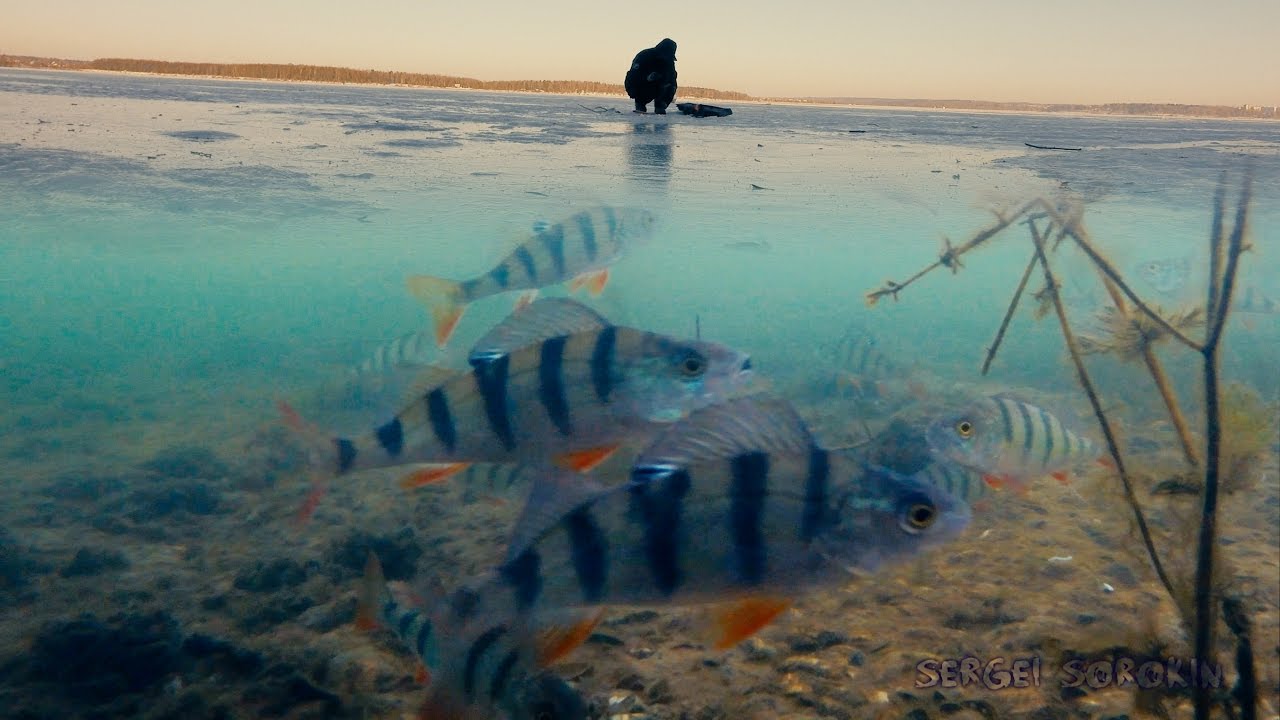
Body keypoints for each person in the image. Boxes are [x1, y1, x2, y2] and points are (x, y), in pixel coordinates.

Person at [625, 38, 677, 114]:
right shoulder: (644, 56)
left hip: (660, 89)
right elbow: (632, 77)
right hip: (643, 87)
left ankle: (660, 106)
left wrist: (666, 101)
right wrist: (647, 78)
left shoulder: (669, 61)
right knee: (640, 98)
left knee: (668, 85)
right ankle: (640, 104)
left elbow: (672, 81)